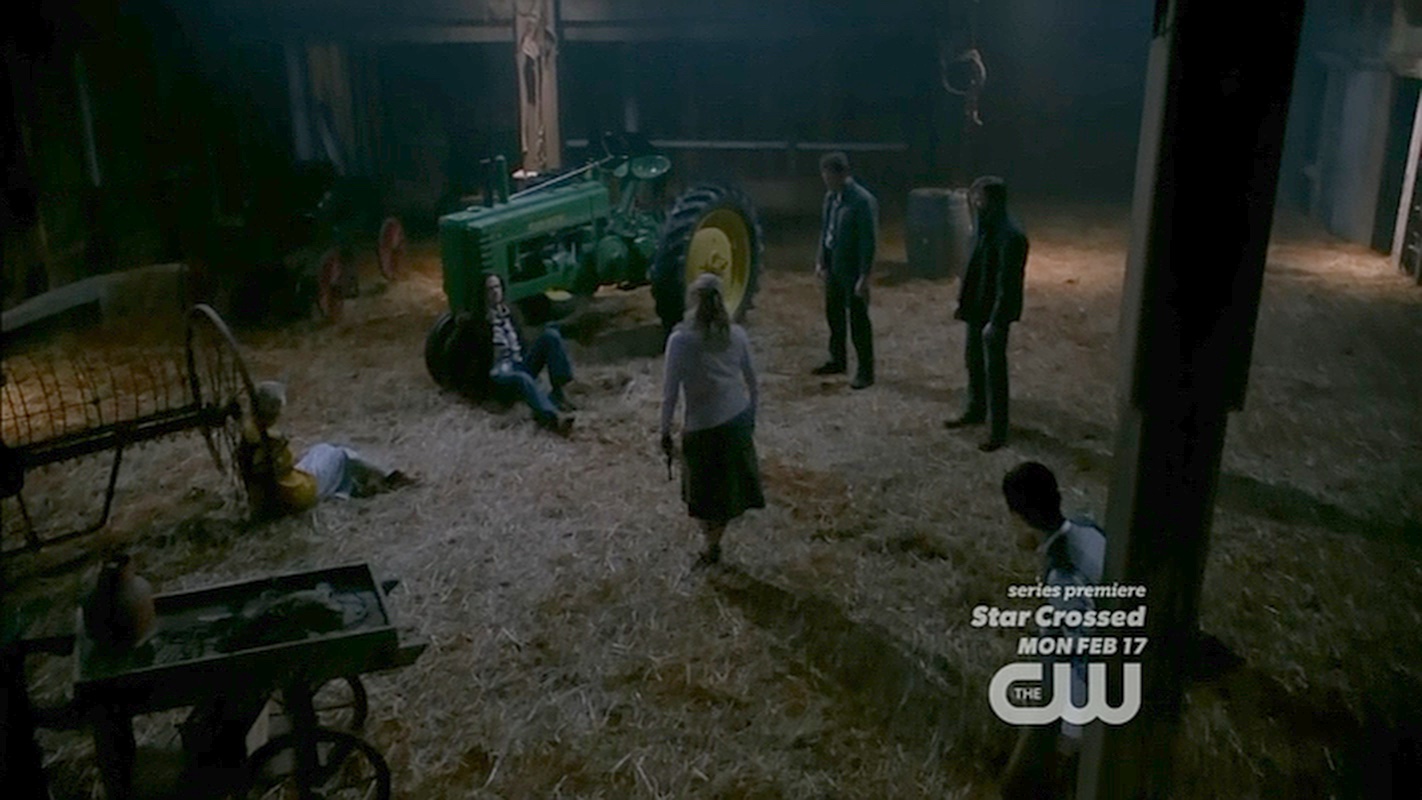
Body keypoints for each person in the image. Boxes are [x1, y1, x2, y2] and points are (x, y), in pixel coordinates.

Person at [998, 461, 1105, 799]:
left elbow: (1083, 653)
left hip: (1089, 683)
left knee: (1019, 784)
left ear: (1019, 519)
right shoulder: (1087, 527)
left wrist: (1072, 732)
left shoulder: (1063, 575)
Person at [660, 274, 766, 567]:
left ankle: (711, 546)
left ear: (692, 301)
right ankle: (714, 542)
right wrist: (751, 418)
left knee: (704, 496)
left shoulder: (680, 341)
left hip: (702, 428)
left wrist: (664, 431)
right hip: (736, 421)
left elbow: (669, 394)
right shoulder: (737, 335)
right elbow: (753, 383)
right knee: (727, 494)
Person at [237, 381, 413, 521]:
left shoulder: (250, 432)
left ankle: (356, 481)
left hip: (273, 493)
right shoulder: (273, 440)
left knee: (320, 449)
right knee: (342, 454)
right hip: (297, 494)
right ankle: (390, 477)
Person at [945, 176, 1028, 451]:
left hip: (994, 313)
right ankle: (976, 409)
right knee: (974, 361)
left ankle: (998, 430)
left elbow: (1008, 286)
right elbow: (973, 267)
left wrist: (997, 321)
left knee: (995, 372)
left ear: (991, 200)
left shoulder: (1011, 236)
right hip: (976, 308)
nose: (974, 202)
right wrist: (964, 302)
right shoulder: (983, 226)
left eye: (978, 197)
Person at [811, 151, 879, 390]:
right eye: (825, 176)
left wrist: (865, 275)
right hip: (834, 268)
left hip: (852, 269)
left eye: (830, 176)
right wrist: (821, 261)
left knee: (858, 320)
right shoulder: (831, 198)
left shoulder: (862, 201)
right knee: (835, 316)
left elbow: (868, 240)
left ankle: (865, 371)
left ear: (843, 174)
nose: (827, 181)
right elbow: (826, 231)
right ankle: (837, 359)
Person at [484, 273, 576, 435]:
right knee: (523, 377)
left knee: (551, 336)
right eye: (490, 289)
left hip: (519, 363)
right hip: (502, 374)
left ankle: (559, 391)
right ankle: (552, 417)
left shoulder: (511, 313)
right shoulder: (480, 321)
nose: (495, 292)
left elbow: (523, 342)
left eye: (497, 287)